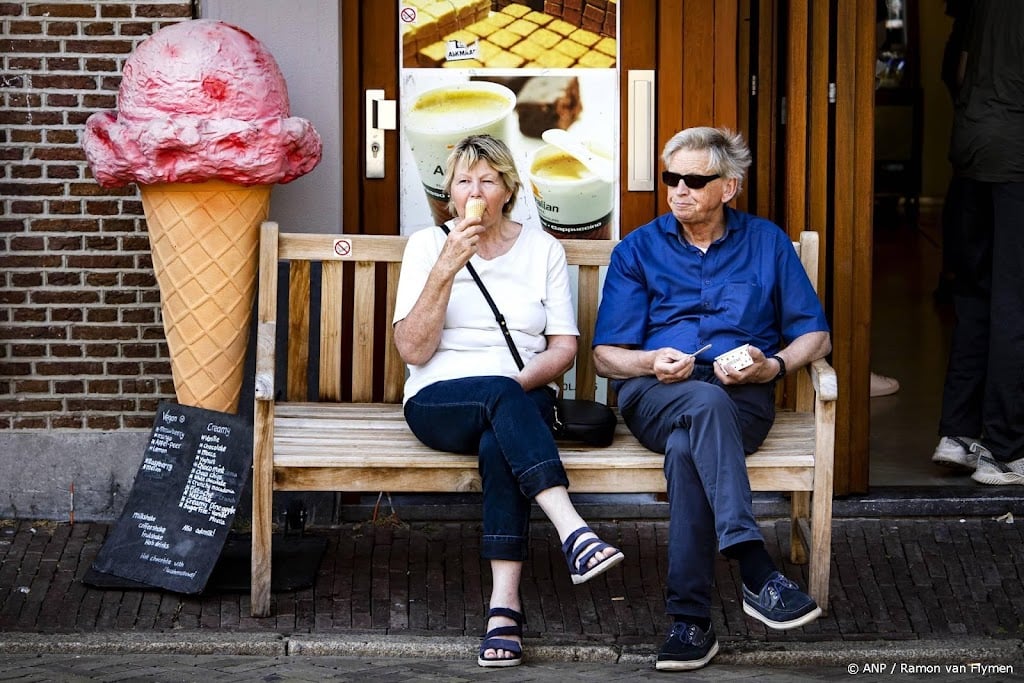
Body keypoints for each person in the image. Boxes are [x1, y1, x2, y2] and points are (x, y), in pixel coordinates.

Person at [592, 127, 830, 671]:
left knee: (688, 448)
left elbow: (816, 335)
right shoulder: (638, 249)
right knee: (701, 405)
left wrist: (774, 365)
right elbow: (606, 356)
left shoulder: (767, 242)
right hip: (656, 393)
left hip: (741, 395)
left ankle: (690, 621)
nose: (679, 190)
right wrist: (649, 361)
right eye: (671, 178)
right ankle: (754, 569)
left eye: (695, 180)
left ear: (730, 187)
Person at [392, 134, 624, 668]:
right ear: (450, 193)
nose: (475, 189)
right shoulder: (428, 246)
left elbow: (564, 347)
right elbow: (412, 349)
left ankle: (504, 609)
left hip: (518, 399)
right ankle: (574, 530)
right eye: (463, 180)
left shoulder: (542, 249)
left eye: (487, 179)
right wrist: (447, 266)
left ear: (508, 190)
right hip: (439, 400)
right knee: (500, 399)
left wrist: (506, 395)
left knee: (502, 442)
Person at [931, 0, 1024, 484]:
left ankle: (960, 433)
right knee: (1015, 304)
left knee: (976, 298)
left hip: (973, 147)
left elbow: (959, 67)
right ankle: (1007, 451)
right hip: (1016, 157)